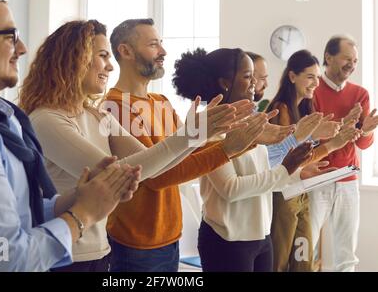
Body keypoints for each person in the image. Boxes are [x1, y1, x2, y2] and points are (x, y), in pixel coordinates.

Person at [0, 0, 140, 272]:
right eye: (9, 36)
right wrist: (83, 215)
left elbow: (21, 211)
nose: (23, 48)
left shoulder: (7, 118)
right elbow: (5, 259)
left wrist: (82, 197)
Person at [18, 19, 245, 272]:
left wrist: (198, 137)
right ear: (75, 58)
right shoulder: (47, 119)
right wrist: (195, 136)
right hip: (67, 256)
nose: (109, 65)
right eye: (102, 55)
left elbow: (151, 165)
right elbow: (115, 174)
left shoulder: (96, 115)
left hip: (101, 251)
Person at [103, 19, 293, 272]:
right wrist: (228, 147)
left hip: (169, 239)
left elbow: (184, 158)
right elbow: (157, 177)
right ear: (125, 51)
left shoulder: (161, 102)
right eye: (153, 45)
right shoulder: (115, 107)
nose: (163, 52)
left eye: (161, 44)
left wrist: (247, 142)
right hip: (136, 244)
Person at [173, 47, 336, 272]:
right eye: (248, 76)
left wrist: (296, 173)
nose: (255, 83)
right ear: (225, 83)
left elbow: (264, 174)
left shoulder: (251, 122)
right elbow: (231, 188)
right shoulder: (209, 128)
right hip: (227, 240)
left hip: (260, 236)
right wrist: (285, 168)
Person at [267, 50, 360, 272]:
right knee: (279, 261)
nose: (315, 83)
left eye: (318, 77)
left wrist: (337, 137)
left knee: (304, 259)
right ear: (292, 77)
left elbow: (305, 156)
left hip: (301, 194)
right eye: (310, 77)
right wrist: (328, 143)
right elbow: (281, 158)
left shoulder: (304, 109)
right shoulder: (281, 108)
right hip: (284, 195)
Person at [310, 35, 378, 272]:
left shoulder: (360, 94)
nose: (352, 64)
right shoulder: (312, 89)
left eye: (356, 60)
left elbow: (363, 144)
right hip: (316, 179)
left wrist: (366, 131)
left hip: (348, 179)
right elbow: (310, 137)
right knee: (308, 250)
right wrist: (344, 126)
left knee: (347, 255)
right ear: (328, 57)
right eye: (347, 58)